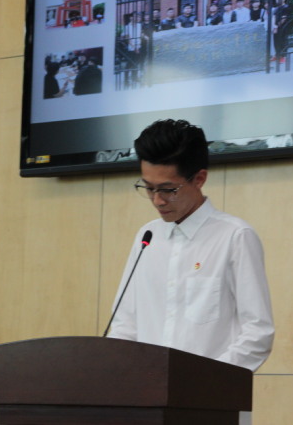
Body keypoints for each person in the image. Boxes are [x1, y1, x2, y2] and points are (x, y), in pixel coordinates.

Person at [107, 119, 274, 378]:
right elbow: (124, 324)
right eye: (148, 188)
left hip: (208, 394)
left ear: (199, 179)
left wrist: (203, 380)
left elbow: (257, 333)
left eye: (168, 189)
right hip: (145, 391)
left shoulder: (234, 236)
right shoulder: (147, 237)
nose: (157, 200)